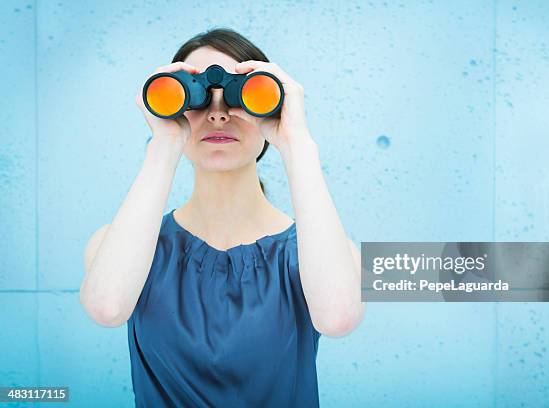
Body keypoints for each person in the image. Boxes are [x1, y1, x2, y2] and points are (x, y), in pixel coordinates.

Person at [79, 27, 365, 407]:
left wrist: (297, 143)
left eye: (240, 95)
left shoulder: (326, 254)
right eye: (196, 98)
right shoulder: (120, 246)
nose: (217, 115)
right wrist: (165, 143)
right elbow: (107, 307)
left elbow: (338, 318)